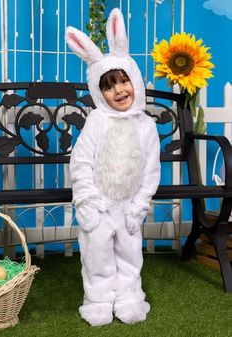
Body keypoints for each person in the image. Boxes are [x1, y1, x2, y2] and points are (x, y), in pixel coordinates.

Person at [65, 8, 160, 326]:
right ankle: (98, 298)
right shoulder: (96, 122)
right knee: (97, 252)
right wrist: (88, 202)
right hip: (100, 204)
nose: (119, 90)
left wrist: (140, 203)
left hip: (129, 205)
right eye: (109, 85)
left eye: (124, 81)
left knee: (130, 252)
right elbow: (80, 163)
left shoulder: (146, 126)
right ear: (98, 91)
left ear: (134, 79)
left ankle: (130, 295)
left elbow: (150, 169)